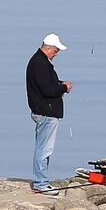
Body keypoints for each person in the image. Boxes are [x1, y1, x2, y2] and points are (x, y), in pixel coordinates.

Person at [27, 33, 73, 194]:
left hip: (44, 111)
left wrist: (60, 84)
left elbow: (47, 84)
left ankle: (42, 181)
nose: (57, 54)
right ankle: (41, 183)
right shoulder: (40, 64)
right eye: (56, 50)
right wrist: (64, 87)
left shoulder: (40, 62)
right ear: (48, 48)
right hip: (46, 112)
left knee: (45, 148)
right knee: (44, 149)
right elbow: (48, 90)